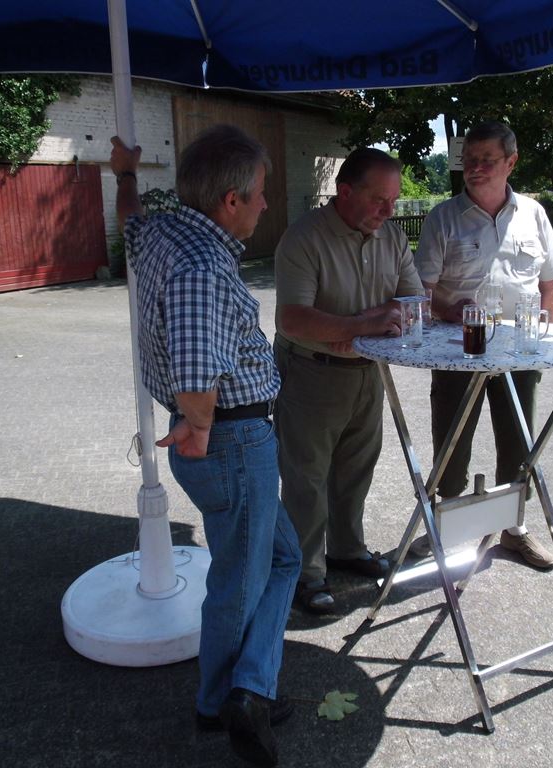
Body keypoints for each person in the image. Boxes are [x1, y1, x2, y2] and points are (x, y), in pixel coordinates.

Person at [111, 125, 301, 768]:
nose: (266, 204)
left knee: (281, 559)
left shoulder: (162, 231)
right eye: (261, 193)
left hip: (225, 439)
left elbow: (129, 220)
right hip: (232, 440)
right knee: (240, 579)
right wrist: (198, 424)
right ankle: (226, 700)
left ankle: (247, 686)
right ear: (230, 200)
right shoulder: (200, 266)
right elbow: (197, 381)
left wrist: (126, 174)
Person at [273, 148, 425, 614]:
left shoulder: (391, 237)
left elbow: (413, 301)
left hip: (367, 372)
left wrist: (354, 329)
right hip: (311, 374)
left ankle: (346, 549)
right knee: (306, 479)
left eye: (394, 200)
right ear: (344, 191)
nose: (389, 211)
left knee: (356, 470)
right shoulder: (304, 238)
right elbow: (293, 319)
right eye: (379, 200)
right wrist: (364, 324)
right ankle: (304, 573)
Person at [412, 121, 553, 570]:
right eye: (469, 160)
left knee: (519, 442)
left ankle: (514, 530)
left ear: (511, 162)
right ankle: (445, 527)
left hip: (521, 351)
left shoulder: (533, 214)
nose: (475, 168)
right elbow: (421, 291)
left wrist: (546, 343)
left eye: (487, 160)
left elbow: (551, 283)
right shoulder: (444, 217)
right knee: (452, 441)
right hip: (457, 350)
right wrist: (450, 310)